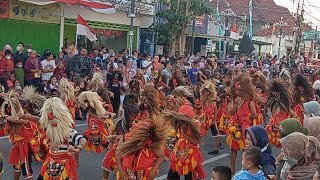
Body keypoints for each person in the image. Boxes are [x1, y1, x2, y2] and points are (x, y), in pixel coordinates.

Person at [38, 97, 87, 180]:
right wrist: (28, 116)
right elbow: (39, 121)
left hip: (63, 165)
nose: (52, 121)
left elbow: (82, 140)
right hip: (50, 162)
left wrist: (78, 149)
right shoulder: (49, 130)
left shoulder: (69, 132)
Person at [1, 90, 41, 180]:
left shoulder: (24, 117)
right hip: (17, 146)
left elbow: (17, 120)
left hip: (24, 147)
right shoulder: (10, 120)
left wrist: (4, 116)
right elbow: (7, 127)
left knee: (26, 170)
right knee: (17, 168)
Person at [227, 74, 257, 174]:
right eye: (236, 90)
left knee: (246, 150)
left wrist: (246, 121)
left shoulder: (249, 102)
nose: (238, 92)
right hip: (235, 127)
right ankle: (232, 169)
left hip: (246, 129)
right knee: (233, 148)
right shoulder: (234, 100)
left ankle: (245, 169)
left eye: (240, 90)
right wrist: (235, 104)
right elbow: (230, 112)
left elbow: (255, 115)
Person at [265, 79, 296, 147]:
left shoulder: (285, 106)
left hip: (284, 128)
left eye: (277, 95)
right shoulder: (272, 104)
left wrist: (290, 125)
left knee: (286, 147)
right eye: (274, 95)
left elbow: (294, 115)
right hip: (275, 128)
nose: (276, 97)